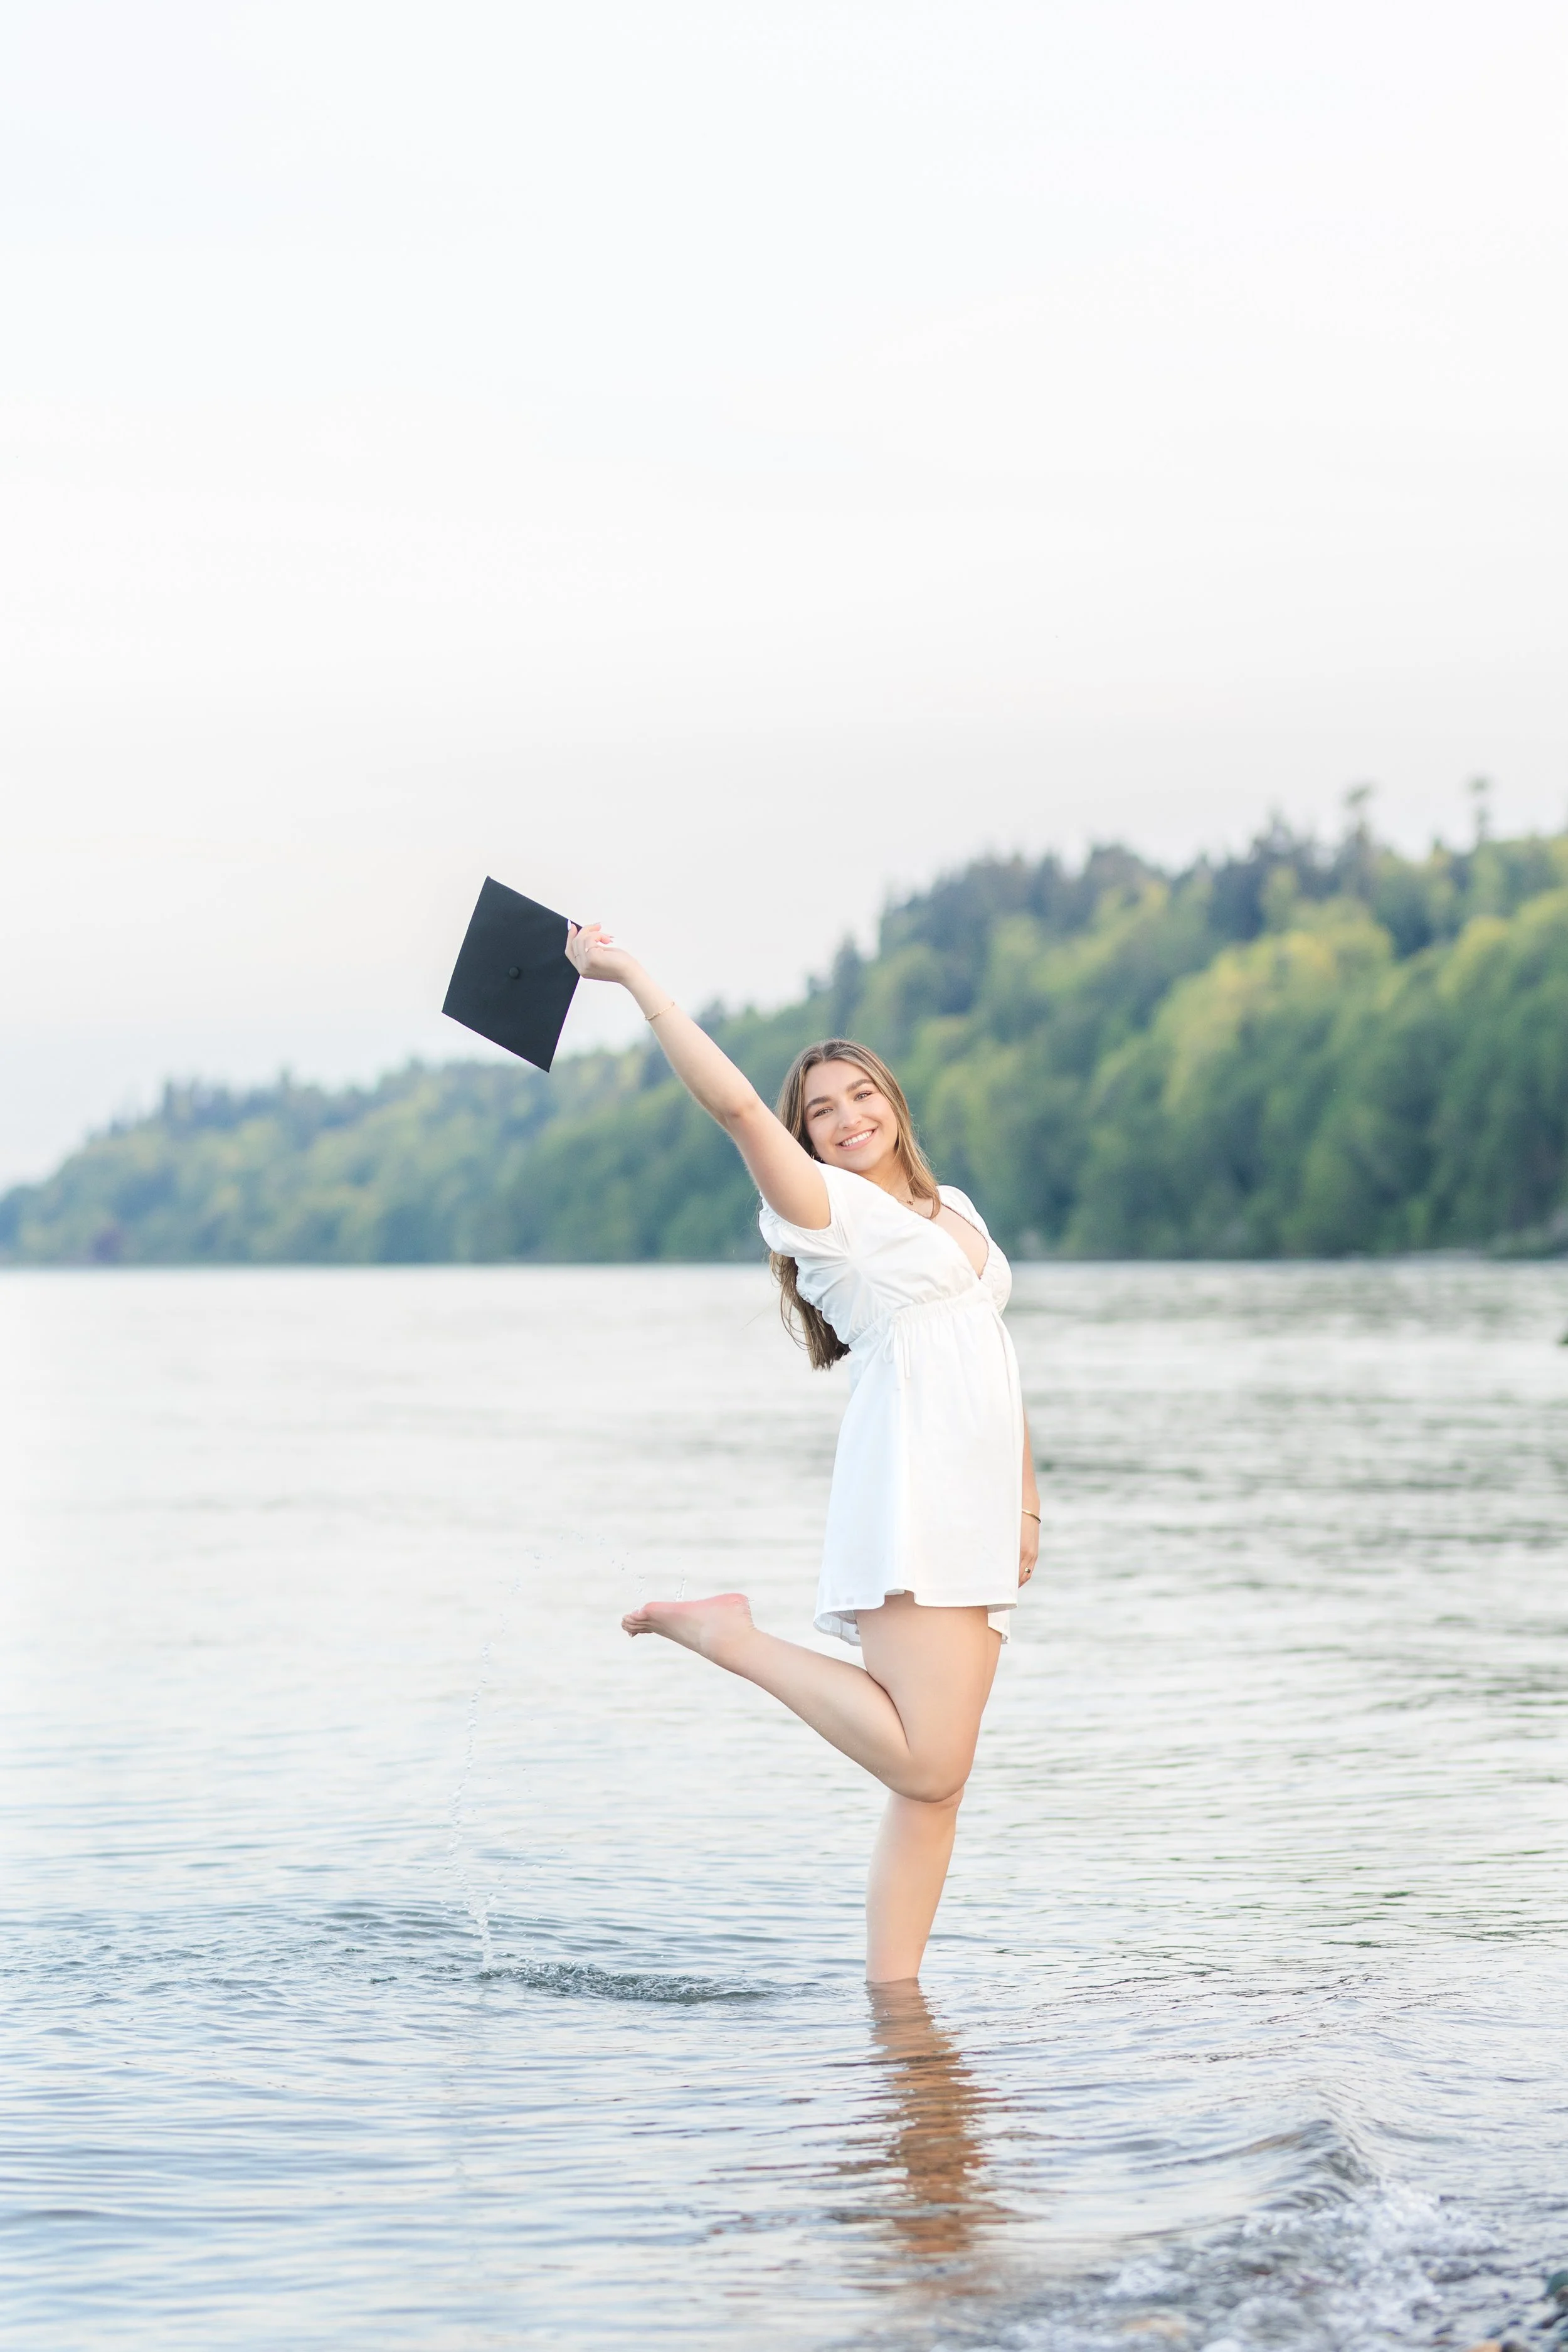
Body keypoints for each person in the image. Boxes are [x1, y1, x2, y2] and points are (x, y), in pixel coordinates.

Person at [564, 921, 1040, 1984]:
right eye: (822, 1111)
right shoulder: (824, 1214)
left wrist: (1028, 1504)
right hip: (912, 1484)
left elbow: (993, 1357)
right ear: (809, 1141)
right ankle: (732, 1637)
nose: (847, 1117)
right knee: (928, 1757)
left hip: (976, 1490)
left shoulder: (949, 1209)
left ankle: (896, 1993)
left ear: (893, 1102)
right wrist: (637, 978)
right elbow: (735, 1104)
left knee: (936, 1784)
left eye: (861, 1095)